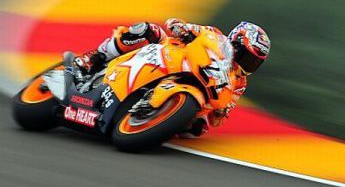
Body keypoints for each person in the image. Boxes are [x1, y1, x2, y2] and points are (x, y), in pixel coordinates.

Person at [73, 18, 270, 136]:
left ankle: (154, 117)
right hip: (173, 58)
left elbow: (219, 118)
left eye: (254, 62)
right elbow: (184, 27)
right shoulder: (213, 35)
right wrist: (180, 27)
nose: (247, 64)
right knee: (147, 30)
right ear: (235, 42)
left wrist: (219, 113)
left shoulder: (239, 83)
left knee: (197, 128)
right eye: (247, 57)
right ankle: (94, 58)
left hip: (198, 90)